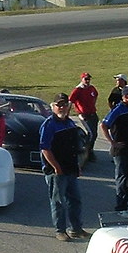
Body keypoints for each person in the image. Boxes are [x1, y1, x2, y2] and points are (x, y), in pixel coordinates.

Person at [39, 93, 87, 241]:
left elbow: (75, 148)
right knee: (58, 202)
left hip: (71, 168)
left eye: (65, 105)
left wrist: (77, 166)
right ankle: (60, 230)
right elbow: (45, 149)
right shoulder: (49, 125)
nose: (62, 108)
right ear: (53, 107)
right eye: (59, 105)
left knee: (75, 200)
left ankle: (76, 229)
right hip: (56, 171)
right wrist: (56, 168)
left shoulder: (70, 124)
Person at [100, 85, 128, 212]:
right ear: (125, 97)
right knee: (122, 177)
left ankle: (126, 203)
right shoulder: (118, 110)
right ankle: (120, 206)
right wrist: (112, 142)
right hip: (121, 149)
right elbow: (104, 125)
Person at [68, 72, 98, 161]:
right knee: (91, 133)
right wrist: (69, 113)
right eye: (86, 79)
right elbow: (71, 101)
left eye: (88, 79)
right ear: (82, 79)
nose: (87, 81)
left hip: (93, 113)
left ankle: (89, 149)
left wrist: (93, 104)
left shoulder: (91, 88)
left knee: (94, 134)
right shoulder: (78, 90)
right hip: (84, 115)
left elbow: (95, 95)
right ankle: (87, 151)